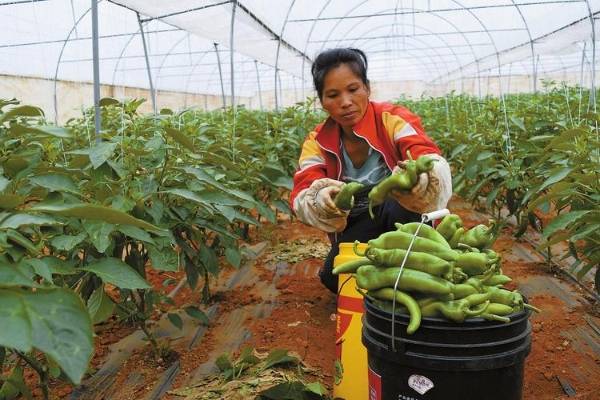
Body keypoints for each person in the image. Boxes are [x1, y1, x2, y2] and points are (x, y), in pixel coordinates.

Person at [290, 48, 452, 294]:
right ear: (322, 101)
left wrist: (423, 177)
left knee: (394, 205)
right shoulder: (318, 140)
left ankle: (414, 273)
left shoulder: (391, 118)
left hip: (403, 215)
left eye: (353, 89)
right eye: (333, 95)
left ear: (367, 87)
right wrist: (319, 198)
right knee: (334, 278)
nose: (345, 102)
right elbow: (304, 186)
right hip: (356, 219)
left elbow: (425, 154)